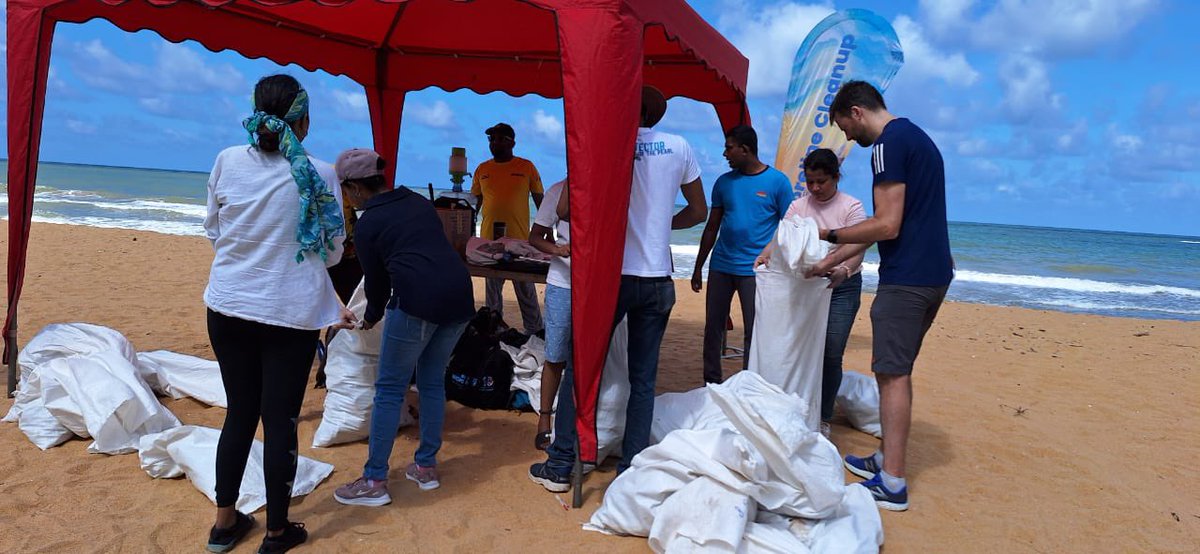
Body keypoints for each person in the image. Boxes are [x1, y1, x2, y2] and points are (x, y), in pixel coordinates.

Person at [203, 74, 354, 553]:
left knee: (240, 415)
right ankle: (276, 531)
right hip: (289, 313)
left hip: (228, 305)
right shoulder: (321, 174)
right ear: (303, 120)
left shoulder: (227, 161)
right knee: (280, 419)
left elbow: (214, 229)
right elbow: (331, 254)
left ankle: (225, 524)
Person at [529, 85, 707, 491]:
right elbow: (698, 210)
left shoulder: (606, 146)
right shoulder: (679, 146)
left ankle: (561, 463)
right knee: (643, 379)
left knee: (582, 369)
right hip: (658, 278)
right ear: (655, 115)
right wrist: (661, 224)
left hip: (611, 279)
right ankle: (631, 469)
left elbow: (566, 210)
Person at [807, 80, 953, 512]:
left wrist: (829, 232)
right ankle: (886, 459)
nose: (848, 138)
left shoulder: (887, 145)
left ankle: (893, 481)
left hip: (906, 280)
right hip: (933, 275)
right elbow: (890, 224)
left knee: (892, 375)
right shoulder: (916, 137)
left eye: (846, 128)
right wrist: (830, 260)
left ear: (856, 112)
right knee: (897, 369)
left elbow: (886, 225)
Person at [332, 149, 476, 507]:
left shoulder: (368, 224)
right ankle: (425, 467)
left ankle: (374, 480)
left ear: (354, 187)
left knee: (390, 389)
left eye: (345, 190)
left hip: (416, 301)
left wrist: (369, 318)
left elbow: (377, 285)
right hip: (459, 296)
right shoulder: (414, 200)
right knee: (430, 380)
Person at [758, 148, 867, 438]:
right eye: (810, 182)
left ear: (836, 177)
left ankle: (823, 416)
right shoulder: (798, 206)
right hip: (805, 287)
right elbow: (783, 237)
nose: (815, 188)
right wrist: (766, 254)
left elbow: (858, 247)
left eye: (822, 182)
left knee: (831, 352)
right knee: (799, 347)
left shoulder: (852, 207)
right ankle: (797, 404)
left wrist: (844, 270)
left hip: (841, 285)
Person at [691, 125, 793, 385]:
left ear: (745, 149)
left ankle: (748, 384)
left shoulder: (778, 182)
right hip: (722, 266)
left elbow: (789, 227)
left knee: (754, 330)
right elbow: (712, 226)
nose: (725, 154)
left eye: (729, 148)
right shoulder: (724, 183)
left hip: (756, 270)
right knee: (713, 329)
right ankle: (711, 382)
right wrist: (698, 267)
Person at [471, 122, 545, 334]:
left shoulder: (526, 167)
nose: (494, 143)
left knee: (526, 291)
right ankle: (494, 333)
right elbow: (474, 204)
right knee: (492, 295)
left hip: (520, 242)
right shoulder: (482, 169)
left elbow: (541, 202)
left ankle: (535, 333)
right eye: (491, 139)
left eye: (500, 138)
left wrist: (546, 231)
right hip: (489, 244)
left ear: (512, 142)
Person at [527, 178, 570, 451]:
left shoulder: (610, 186)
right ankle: (545, 420)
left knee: (589, 358)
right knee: (555, 355)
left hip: (599, 285)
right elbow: (535, 237)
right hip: (563, 284)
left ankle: (578, 419)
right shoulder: (558, 190)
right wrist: (557, 249)